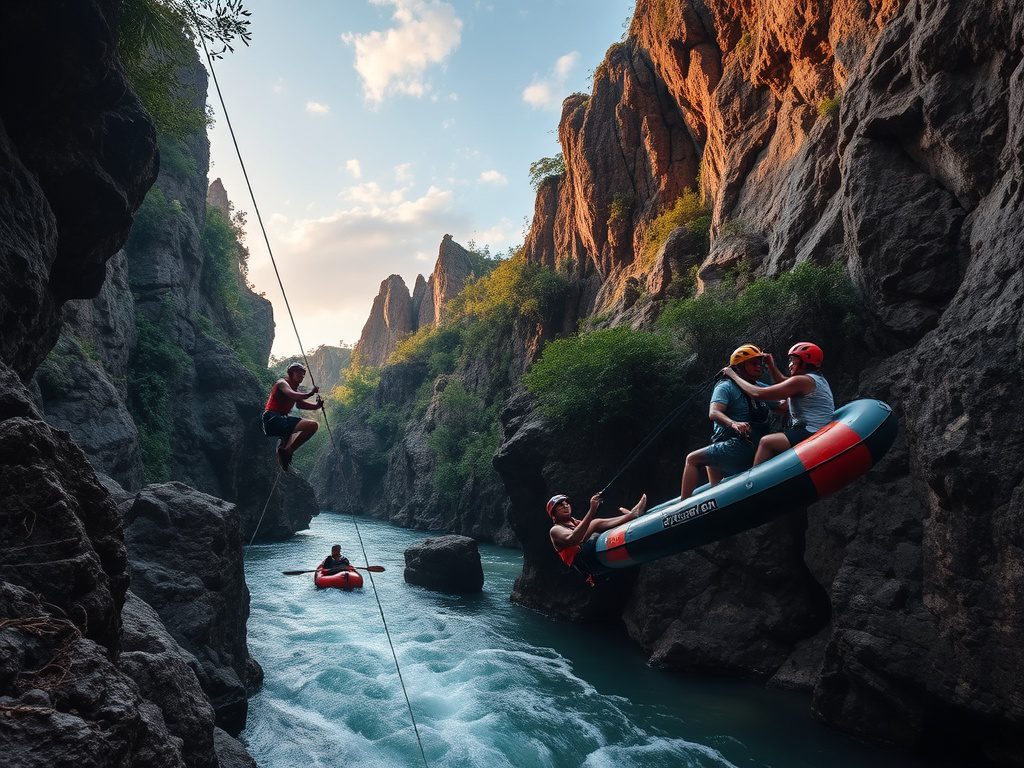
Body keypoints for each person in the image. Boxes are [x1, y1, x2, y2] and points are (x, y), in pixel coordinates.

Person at [680, 344, 777, 500]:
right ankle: (718, 497)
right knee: (711, 457)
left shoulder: (756, 387)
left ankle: (682, 508)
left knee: (692, 459)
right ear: (739, 367)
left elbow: (783, 404)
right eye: (753, 363)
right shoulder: (727, 387)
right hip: (752, 446)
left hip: (740, 446)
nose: (758, 366)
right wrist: (734, 423)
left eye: (760, 362)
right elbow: (714, 412)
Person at [721, 341, 834, 465]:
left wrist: (733, 376)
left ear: (804, 361)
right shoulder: (815, 378)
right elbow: (782, 382)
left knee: (766, 442)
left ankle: (754, 481)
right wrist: (770, 364)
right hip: (816, 427)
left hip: (812, 430)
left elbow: (757, 394)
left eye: (793, 361)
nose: (790, 364)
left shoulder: (801, 380)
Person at [548, 491, 647, 572]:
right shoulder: (555, 530)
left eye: (566, 503)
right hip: (584, 562)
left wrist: (623, 519)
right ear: (553, 515)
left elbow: (595, 528)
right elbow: (574, 539)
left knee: (597, 527)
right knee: (595, 523)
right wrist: (592, 510)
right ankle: (631, 516)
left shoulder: (575, 522)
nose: (565, 506)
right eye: (560, 506)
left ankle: (630, 516)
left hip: (592, 554)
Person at [262, 362, 323, 471]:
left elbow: (300, 404)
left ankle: (284, 451)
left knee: (312, 426)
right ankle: (287, 451)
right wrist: (310, 393)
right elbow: (292, 394)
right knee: (311, 425)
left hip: (279, 420)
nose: (302, 376)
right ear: (291, 373)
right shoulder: (282, 383)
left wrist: (317, 406)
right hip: (273, 418)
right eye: (299, 373)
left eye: (304, 374)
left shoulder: (295, 389)